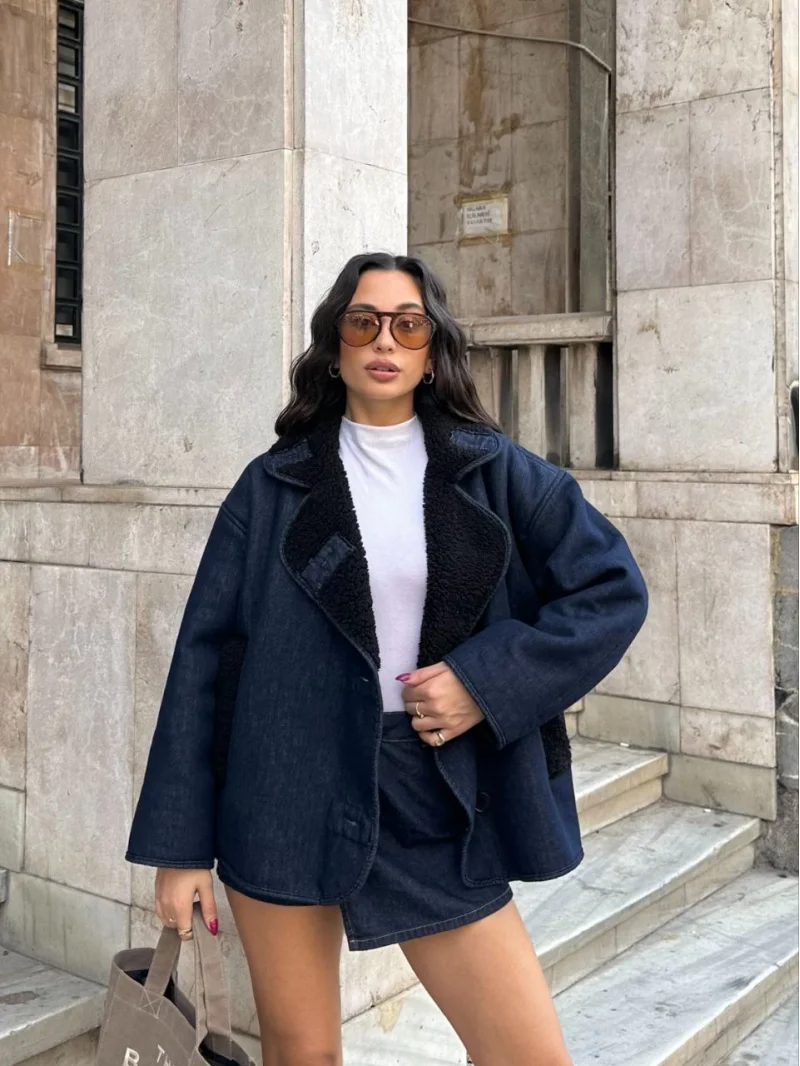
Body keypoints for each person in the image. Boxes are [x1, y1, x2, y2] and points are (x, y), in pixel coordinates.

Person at [127, 252, 648, 1066]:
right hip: (282, 789)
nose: (384, 341)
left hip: (430, 785)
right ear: (335, 343)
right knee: (304, 1056)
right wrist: (181, 846)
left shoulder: (494, 472)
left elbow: (611, 590)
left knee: (528, 1055)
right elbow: (201, 662)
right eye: (363, 321)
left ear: (432, 350)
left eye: (409, 325)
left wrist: (483, 681)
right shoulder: (271, 487)